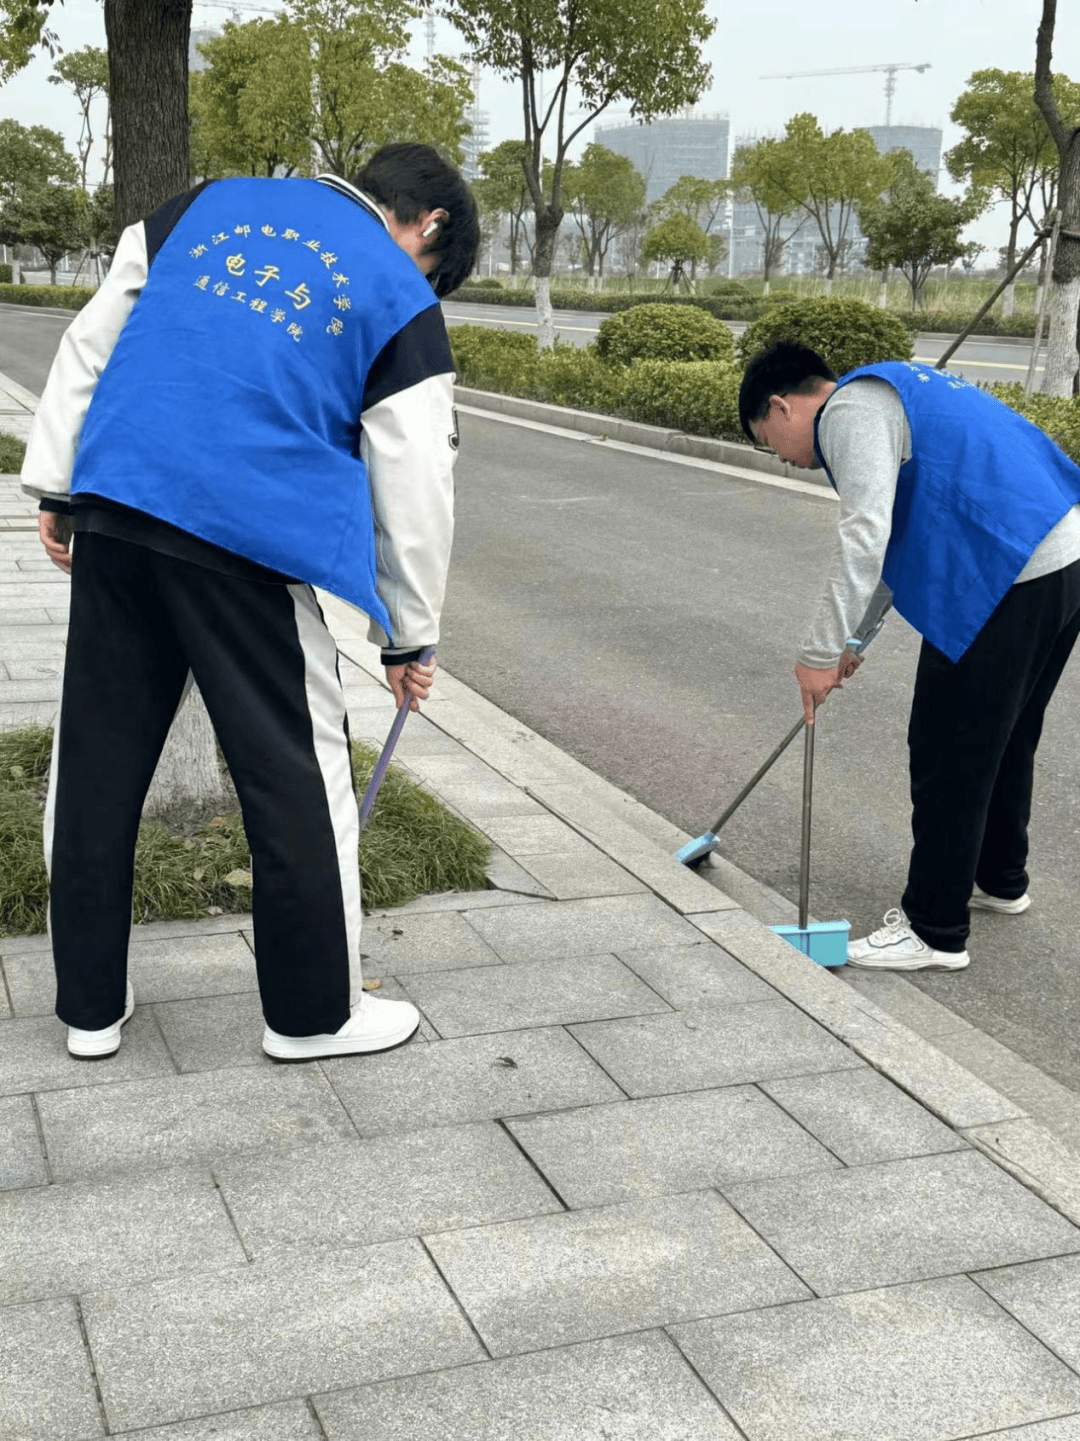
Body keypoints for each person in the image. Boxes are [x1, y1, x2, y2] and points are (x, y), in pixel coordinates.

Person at [22, 143, 479, 1060]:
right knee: (295, 774)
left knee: (97, 757)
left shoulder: (198, 207)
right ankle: (314, 1015)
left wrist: (58, 486)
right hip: (248, 533)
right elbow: (417, 474)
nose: (421, 276)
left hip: (121, 501)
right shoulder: (395, 289)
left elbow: (93, 339)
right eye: (434, 265)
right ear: (427, 228)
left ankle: (89, 1010)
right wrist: (409, 633)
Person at [739, 342, 1080, 972]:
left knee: (948, 747)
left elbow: (866, 531)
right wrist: (851, 642)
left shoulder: (847, 411)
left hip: (1006, 569)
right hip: (1061, 554)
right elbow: (901, 539)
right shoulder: (893, 389)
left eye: (771, 442)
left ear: (783, 407)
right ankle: (1000, 880)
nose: (787, 460)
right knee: (1004, 735)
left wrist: (816, 653)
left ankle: (933, 929)